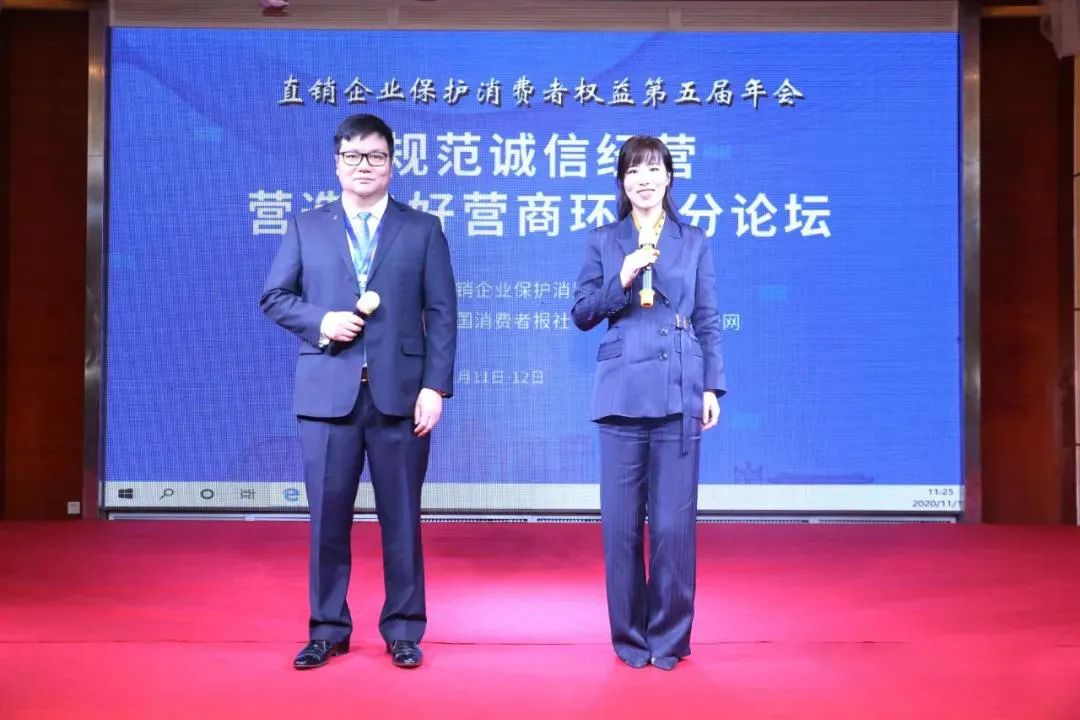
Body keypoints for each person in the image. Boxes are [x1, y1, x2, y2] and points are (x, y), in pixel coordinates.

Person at [261, 113, 456, 670]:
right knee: (327, 520)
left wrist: (435, 387)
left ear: (391, 164)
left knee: (403, 520)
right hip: (327, 397)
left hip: (400, 397)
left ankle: (404, 629)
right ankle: (327, 629)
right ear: (336, 163)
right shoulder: (307, 226)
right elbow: (275, 297)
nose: (363, 166)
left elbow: (442, 314)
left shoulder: (422, 228)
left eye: (375, 156)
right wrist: (322, 322)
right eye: (352, 156)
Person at [571, 135, 725, 671]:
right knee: (620, 528)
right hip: (620, 393)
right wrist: (623, 275)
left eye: (654, 169)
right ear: (621, 181)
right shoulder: (604, 240)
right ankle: (629, 637)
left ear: (669, 178)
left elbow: (707, 318)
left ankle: (670, 636)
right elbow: (583, 312)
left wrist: (711, 387)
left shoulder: (693, 240)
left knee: (673, 527)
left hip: (679, 389)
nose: (644, 179)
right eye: (634, 170)